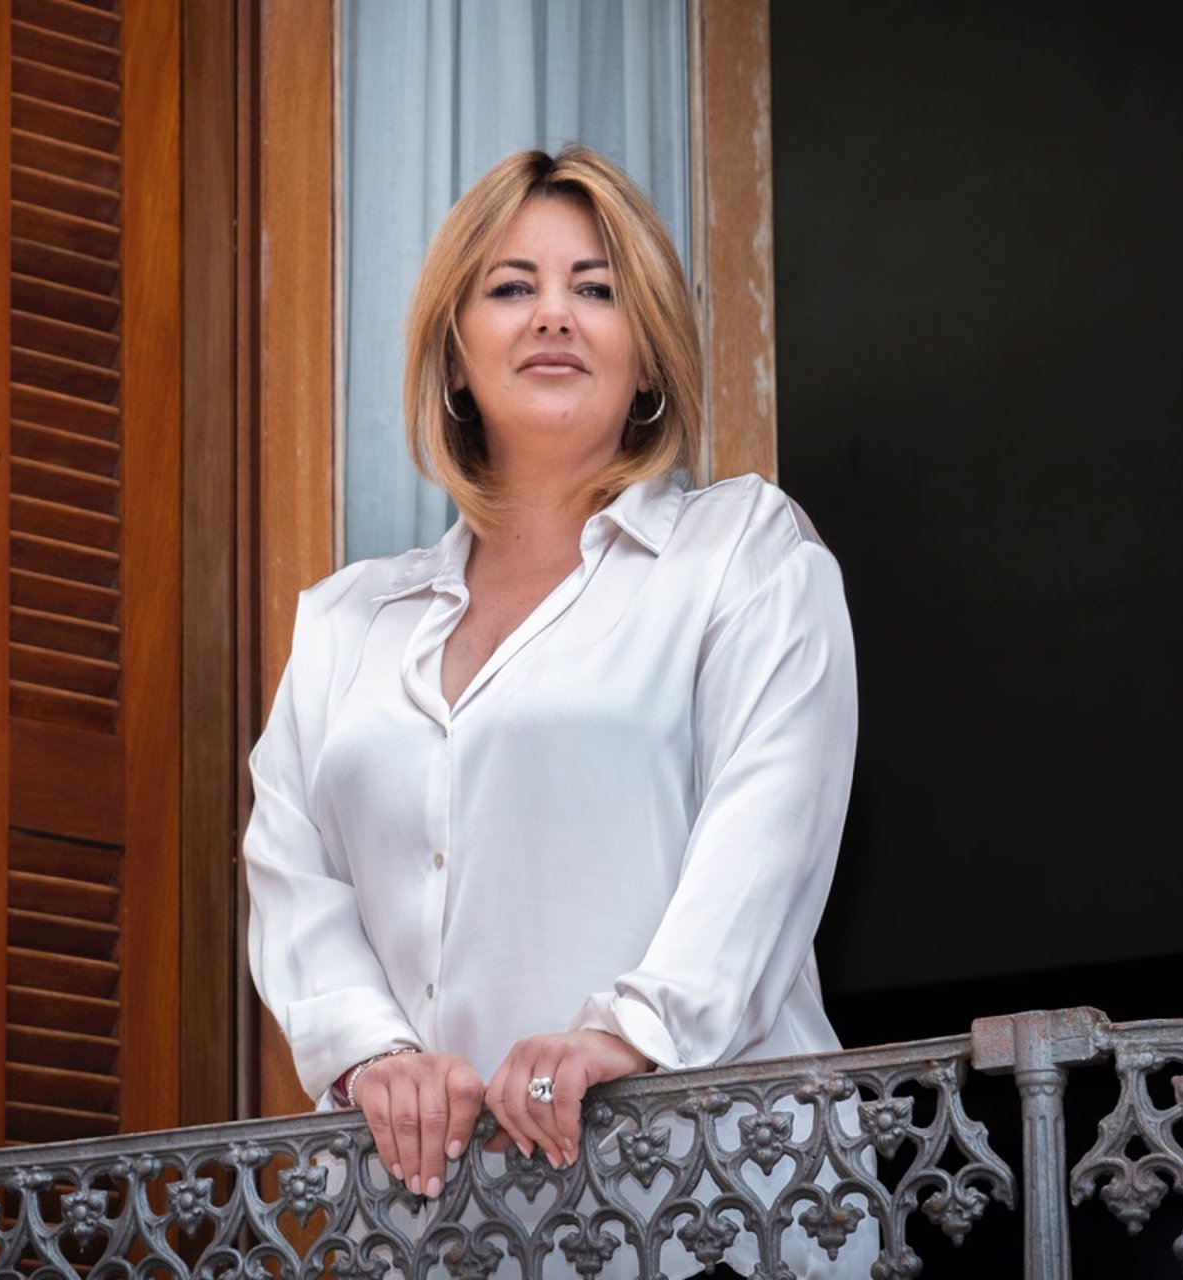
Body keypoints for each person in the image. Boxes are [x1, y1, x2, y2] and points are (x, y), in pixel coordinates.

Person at [242, 147, 870, 1277]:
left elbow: (767, 834)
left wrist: (631, 1030)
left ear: (649, 355)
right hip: (432, 1224)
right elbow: (292, 868)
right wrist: (373, 1052)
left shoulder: (744, 554)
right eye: (510, 285)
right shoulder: (345, 623)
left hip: (717, 1205)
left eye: (596, 286)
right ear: (454, 351)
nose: (553, 314)